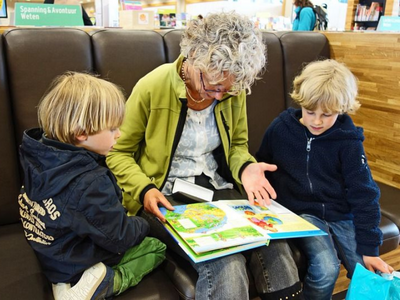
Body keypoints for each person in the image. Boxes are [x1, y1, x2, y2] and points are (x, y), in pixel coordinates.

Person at [107, 11, 303, 300]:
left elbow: (237, 146)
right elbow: (118, 153)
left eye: (229, 88)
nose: (220, 96)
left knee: (276, 247)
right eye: (214, 86)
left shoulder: (231, 91)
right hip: (165, 195)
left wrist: (246, 167)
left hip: (217, 190)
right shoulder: (154, 86)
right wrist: (144, 189)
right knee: (226, 260)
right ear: (195, 56)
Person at [18, 72, 166, 300]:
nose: (119, 134)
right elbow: (120, 237)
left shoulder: (38, 153)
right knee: (156, 248)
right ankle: (105, 282)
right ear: (81, 133)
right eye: (112, 129)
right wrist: (145, 223)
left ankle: (64, 284)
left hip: (50, 257)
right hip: (77, 259)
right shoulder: (90, 183)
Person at [256, 59, 394, 300]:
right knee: (326, 269)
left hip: (342, 214)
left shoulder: (348, 142)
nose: (317, 121)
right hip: (302, 214)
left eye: (327, 115)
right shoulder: (281, 128)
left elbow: (365, 194)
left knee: (366, 269)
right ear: (301, 103)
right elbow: (262, 166)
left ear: (342, 109)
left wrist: (370, 249)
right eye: (310, 112)